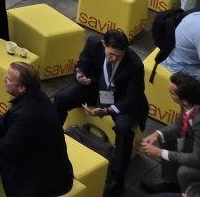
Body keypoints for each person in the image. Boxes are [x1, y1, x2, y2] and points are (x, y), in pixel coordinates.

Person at [48, 29, 144, 192]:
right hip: (94, 88)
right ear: (103, 44)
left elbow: (133, 97)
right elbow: (82, 63)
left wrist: (108, 111)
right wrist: (80, 76)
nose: (114, 59)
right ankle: (49, 143)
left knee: (124, 128)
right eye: (111, 54)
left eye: (119, 56)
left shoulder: (135, 64)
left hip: (120, 99)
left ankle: (118, 178)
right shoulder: (93, 42)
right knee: (61, 98)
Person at [0, 61, 70, 197]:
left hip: (37, 177)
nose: (4, 79)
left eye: (8, 79)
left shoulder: (24, 116)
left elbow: (6, 148)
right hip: (36, 153)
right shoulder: (37, 96)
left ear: (21, 88)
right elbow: (7, 118)